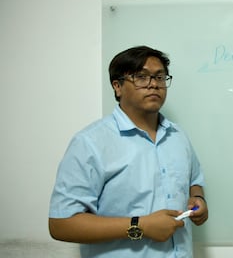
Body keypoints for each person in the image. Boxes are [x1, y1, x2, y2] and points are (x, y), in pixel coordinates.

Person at [48, 46, 208, 258]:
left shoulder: (177, 136)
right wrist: (139, 225)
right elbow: (61, 224)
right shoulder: (90, 143)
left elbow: (194, 180)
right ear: (117, 87)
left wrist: (197, 199)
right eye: (141, 77)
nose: (153, 84)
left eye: (160, 77)